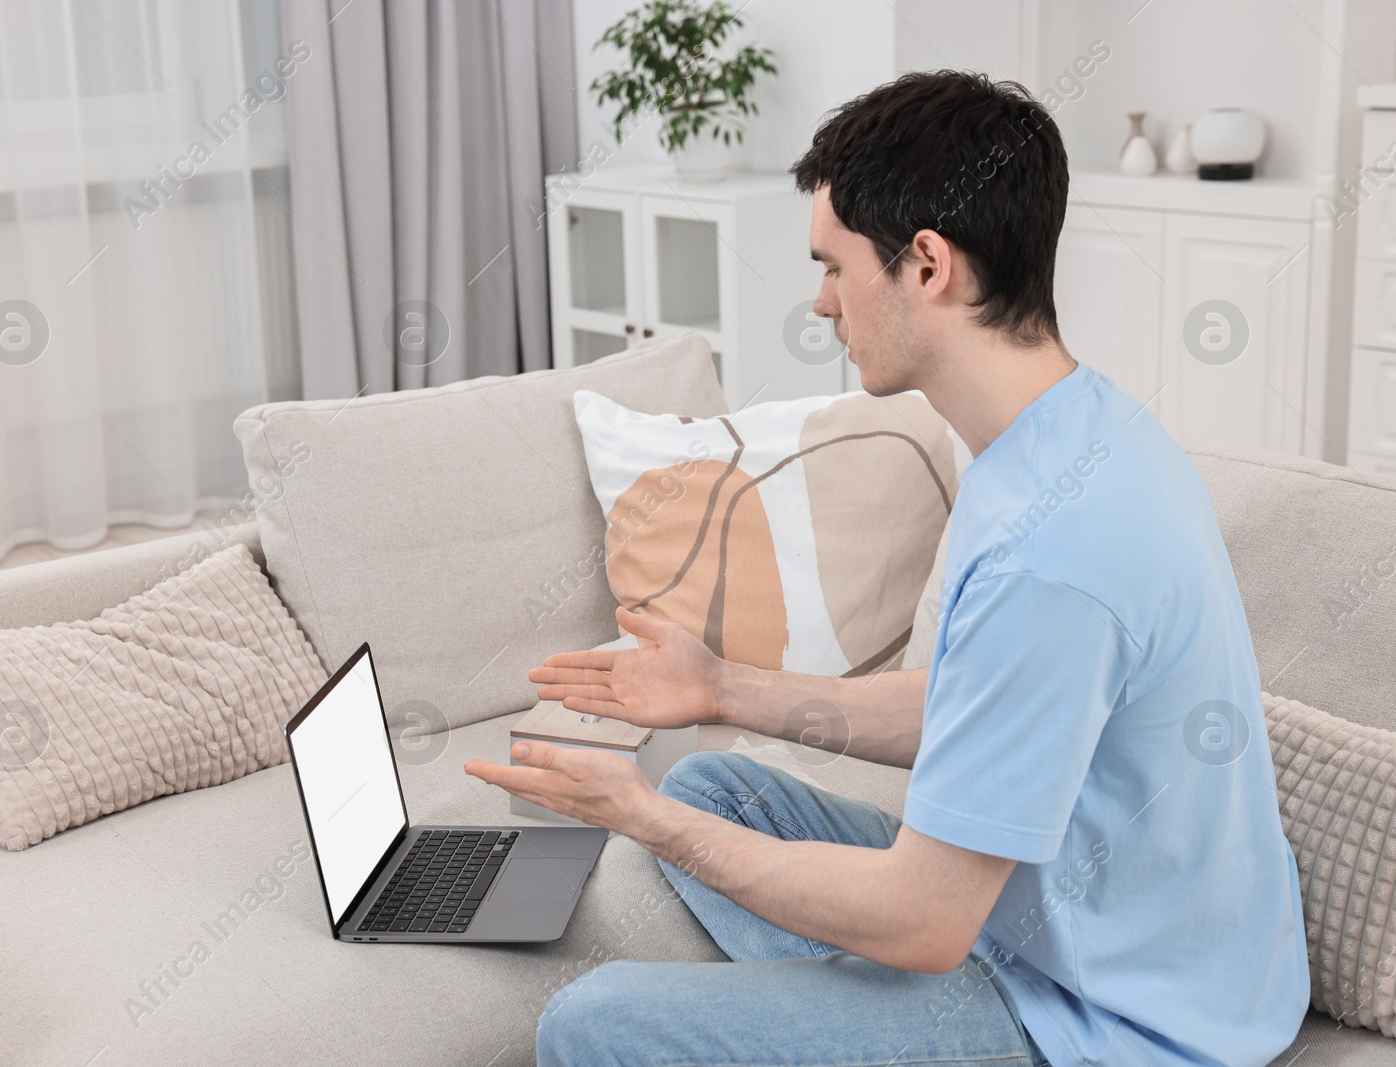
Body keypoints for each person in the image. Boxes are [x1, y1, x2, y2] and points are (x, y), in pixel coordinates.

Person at [465, 69, 1308, 1067]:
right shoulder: (1073, 429)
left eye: (832, 265)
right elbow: (977, 701)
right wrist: (720, 686)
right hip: (1058, 927)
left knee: (591, 1019)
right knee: (713, 787)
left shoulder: (1056, 547)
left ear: (926, 264)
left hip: (1118, 1023)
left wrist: (636, 816)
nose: (820, 301)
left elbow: (923, 922)